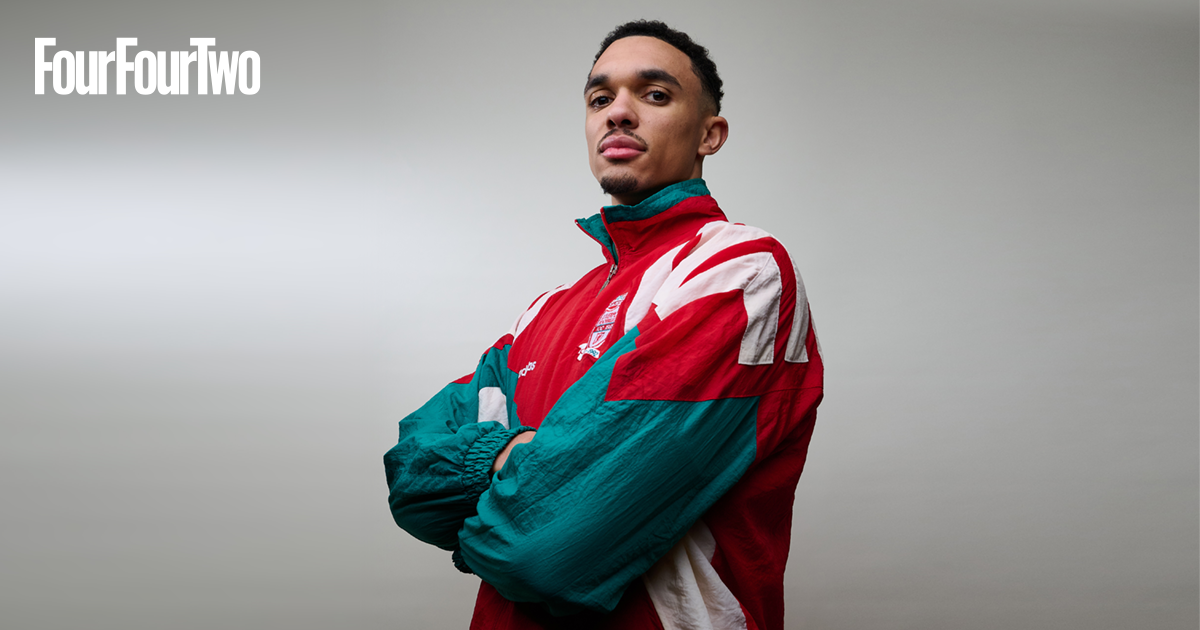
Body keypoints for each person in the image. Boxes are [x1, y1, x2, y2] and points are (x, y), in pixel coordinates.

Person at [384, 20, 824, 630]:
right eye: (599, 98)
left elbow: (544, 549)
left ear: (710, 134)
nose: (617, 112)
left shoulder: (740, 272)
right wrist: (514, 457)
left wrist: (503, 477)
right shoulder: (544, 312)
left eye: (654, 94)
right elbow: (410, 476)